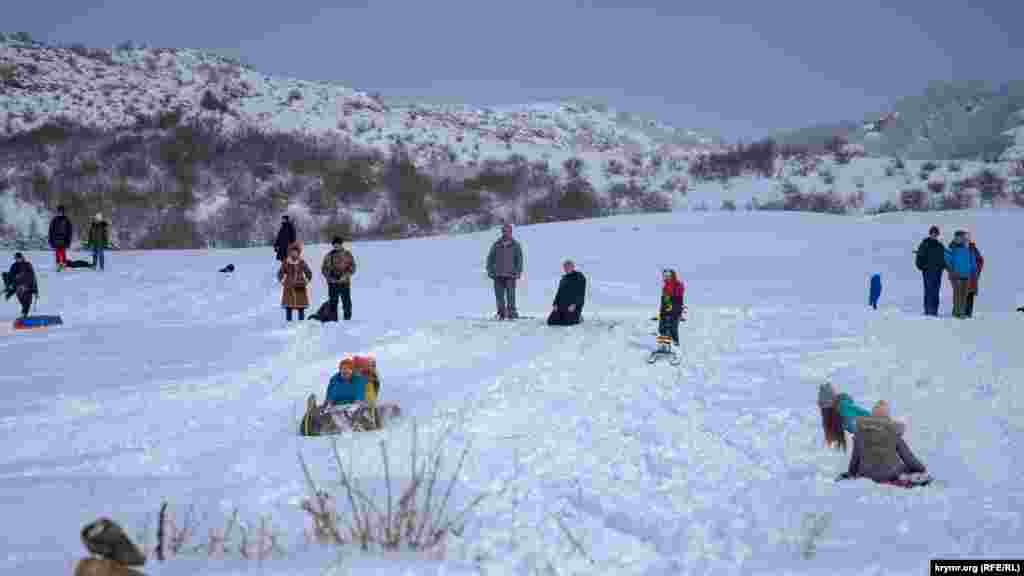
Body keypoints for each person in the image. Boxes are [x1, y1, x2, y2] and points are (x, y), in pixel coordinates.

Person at [840, 402, 927, 484]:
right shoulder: (893, 432)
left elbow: (855, 458)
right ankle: (905, 477)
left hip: (865, 473)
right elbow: (908, 457)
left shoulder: (860, 433)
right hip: (889, 474)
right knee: (904, 467)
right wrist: (921, 469)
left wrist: (851, 473)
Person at [817, 382, 905, 451]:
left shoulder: (837, 413)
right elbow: (862, 416)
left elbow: (862, 417)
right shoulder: (841, 409)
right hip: (873, 433)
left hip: (873, 432)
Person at [486, 223, 524, 320]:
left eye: (508, 231)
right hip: (497, 275)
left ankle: (512, 313)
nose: (506, 233)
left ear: (511, 232)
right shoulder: (496, 244)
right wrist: (490, 271)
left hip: (511, 275)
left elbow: (519, 260)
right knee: (499, 296)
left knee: (511, 296)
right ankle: (501, 313)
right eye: (504, 231)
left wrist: (518, 272)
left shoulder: (516, 245)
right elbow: (490, 258)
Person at [320, 236, 356, 321]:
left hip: (344, 282)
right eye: (335, 244)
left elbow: (353, 267)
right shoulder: (328, 255)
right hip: (332, 283)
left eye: (338, 244)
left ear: (341, 244)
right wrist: (329, 277)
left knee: (346, 301)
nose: (336, 246)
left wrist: (345, 276)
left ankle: (347, 319)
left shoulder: (347, 254)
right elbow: (324, 269)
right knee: (333, 302)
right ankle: (333, 319)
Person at [944, 230, 976, 319]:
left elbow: (972, 260)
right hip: (956, 274)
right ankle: (958, 312)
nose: (960, 239)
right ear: (955, 238)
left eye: (961, 237)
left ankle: (958, 311)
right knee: (957, 293)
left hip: (966, 274)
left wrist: (972, 271)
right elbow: (947, 260)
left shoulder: (968, 248)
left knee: (964, 294)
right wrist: (951, 270)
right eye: (958, 237)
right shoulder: (951, 248)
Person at [915, 225, 946, 316]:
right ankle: (928, 310)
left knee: (936, 291)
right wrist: (923, 267)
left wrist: (942, 266)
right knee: (929, 291)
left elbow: (943, 258)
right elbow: (919, 258)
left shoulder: (940, 246)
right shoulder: (924, 244)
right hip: (928, 272)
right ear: (930, 234)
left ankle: (934, 311)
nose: (934, 235)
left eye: (936, 234)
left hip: (938, 272)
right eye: (933, 233)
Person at [277, 243, 312, 321]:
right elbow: (280, 273)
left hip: (300, 286)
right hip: (289, 286)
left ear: (298, 252)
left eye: (296, 251)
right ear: (290, 252)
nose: (294, 253)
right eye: (292, 251)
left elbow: (308, 272)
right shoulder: (286, 262)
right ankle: (288, 322)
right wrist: (283, 281)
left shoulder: (302, 262)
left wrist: (306, 281)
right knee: (288, 306)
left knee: (301, 306)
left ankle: (301, 321)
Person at [548, 259, 586, 326]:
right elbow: (559, 293)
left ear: (573, 267)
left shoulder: (579, 277)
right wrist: (555, 304)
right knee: (551, 321)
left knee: (567, 322)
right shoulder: (564, 279)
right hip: (562, 304)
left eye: (568, 267)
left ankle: (579, 317)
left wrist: (574, 304)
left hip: (573, 305)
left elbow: (580, 293)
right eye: (565, 267)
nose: (566, 269)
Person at [3, 252, 38, 318]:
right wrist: (9, 289)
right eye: (16, 258)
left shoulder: (27, 265)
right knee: (23, 301)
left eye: (19, 258)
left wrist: (35, 289)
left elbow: (33, 276)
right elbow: (11, 276)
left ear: (22, 257)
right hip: (18, 286)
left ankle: (24, 314)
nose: (17, 259)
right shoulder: (14, 266)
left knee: (28, 301)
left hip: (28, 286)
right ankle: (24, 314)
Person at [657, 269, 685, 346]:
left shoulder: (678, 285)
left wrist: (672, 307)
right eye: (665, 276)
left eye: (668, 275)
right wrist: (662, 312)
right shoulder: (665, 287)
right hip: (665, 310)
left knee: (672, 328)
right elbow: (664, 300)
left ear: (672, 276)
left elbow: (678, 299)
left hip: (675, 310)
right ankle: (662, 346)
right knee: (662, 328)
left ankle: (675, 346)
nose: (666, 277)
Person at [48, 205, 73, 271]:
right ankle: (58, 264)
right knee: (57, 252)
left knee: (62, 252)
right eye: (59, 211)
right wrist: (50, 239)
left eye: (61, 211)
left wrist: (69, 240)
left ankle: (64, 264)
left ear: (63, 212)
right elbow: (51, 230)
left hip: (64, 239)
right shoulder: (54, 220)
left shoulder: (66, 220)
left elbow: (69, 231)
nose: (60, 213)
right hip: (56, 239)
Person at [964, 232, 984, 318]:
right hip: (963, 276)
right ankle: (963, 312)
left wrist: (977, 272)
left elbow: (980, 260)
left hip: (972, 276)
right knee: (962, 294)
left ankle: (969, 313)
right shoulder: (960, 249)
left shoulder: (973, 249)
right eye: (965, 239)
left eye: (968, 239)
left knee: (970, 295)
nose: (966, 240)